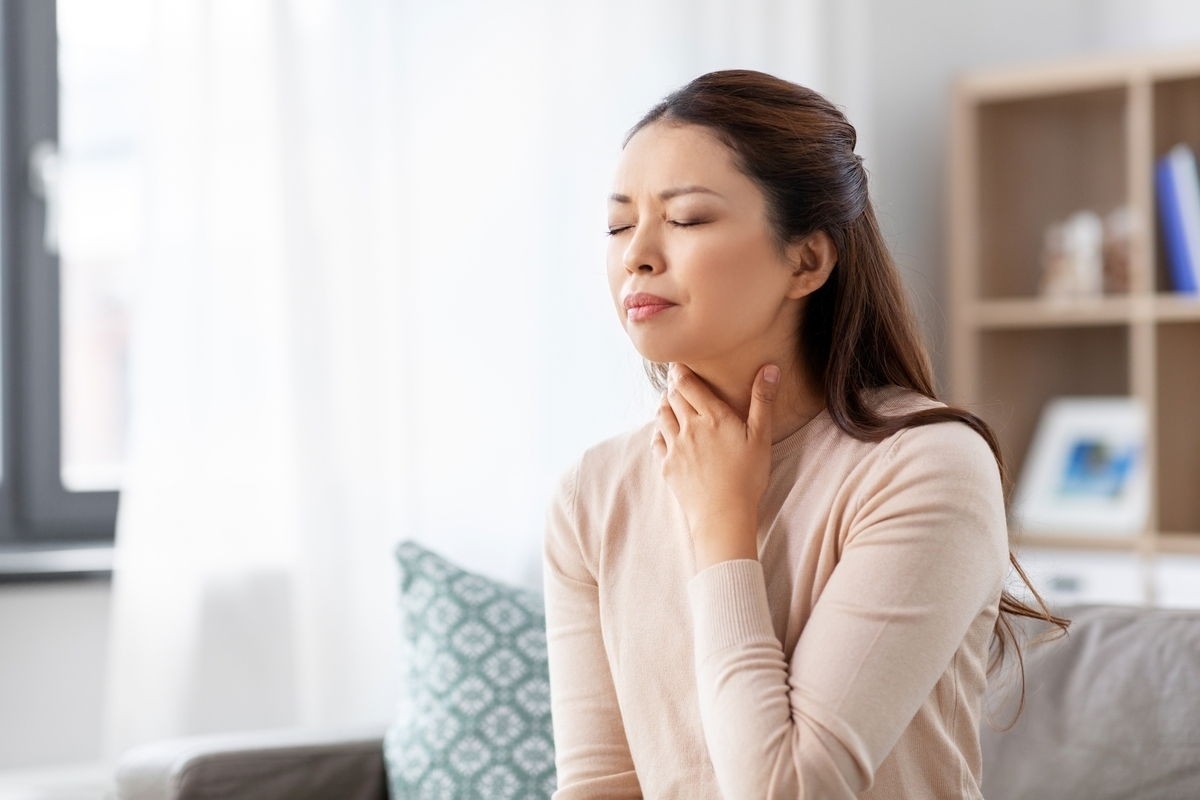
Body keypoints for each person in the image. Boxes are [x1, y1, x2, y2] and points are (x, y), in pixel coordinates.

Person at [541, 69, 1068, 800]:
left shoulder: (925, 466)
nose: (637, 253)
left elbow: (788, 790)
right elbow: (600, 786)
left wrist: (720, 519)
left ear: (807, 259)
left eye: (687, 218)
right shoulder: (592, 495)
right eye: (619, 224)